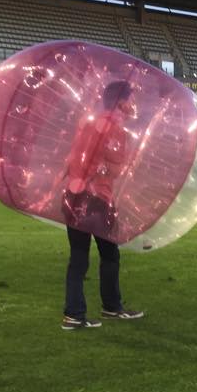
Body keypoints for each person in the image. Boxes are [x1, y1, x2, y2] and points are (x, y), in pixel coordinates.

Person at [61, 80, 144, 330]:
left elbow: (77, 160)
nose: (132, 105)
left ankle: (74, 314)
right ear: (120, 102)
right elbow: (114, 167)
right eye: (129, 99)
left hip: (73, 196)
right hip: (95, 200)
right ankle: (110, 306)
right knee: (109, 254)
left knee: (79, 257)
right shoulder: (113, 129)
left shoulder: (88, 123)